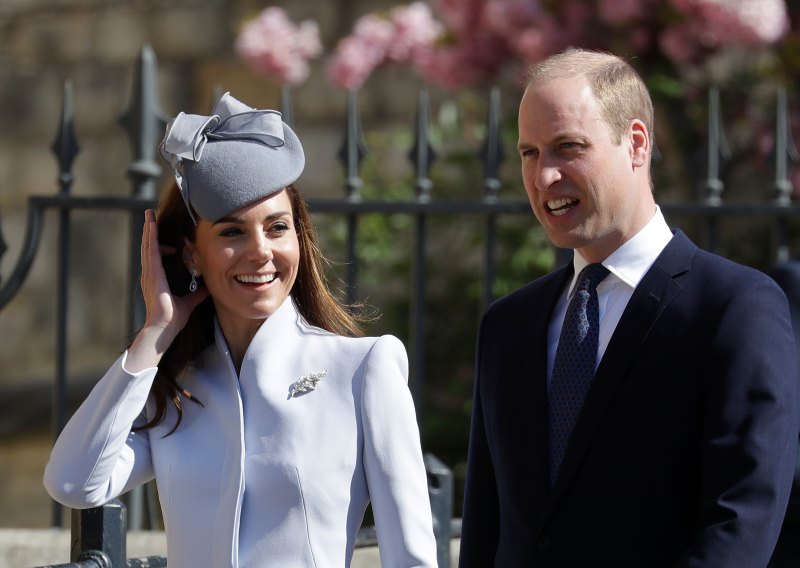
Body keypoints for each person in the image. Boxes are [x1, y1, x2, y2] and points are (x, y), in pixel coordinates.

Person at [43, 92, 437, 568]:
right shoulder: (174, 388)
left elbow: (413, 557)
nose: (260, 252)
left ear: (299, 238)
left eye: (277, 228)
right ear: (192, 254)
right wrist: (156, 333)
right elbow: (74, 483)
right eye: (232, 232)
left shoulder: (362, 367)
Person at [459, 48, 800, 567]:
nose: (544, 175)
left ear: (636, 143)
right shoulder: (508, 325)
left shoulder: (735, 308)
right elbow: (488, 530)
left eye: (568, 147)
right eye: (529, 152)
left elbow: (740, 524)